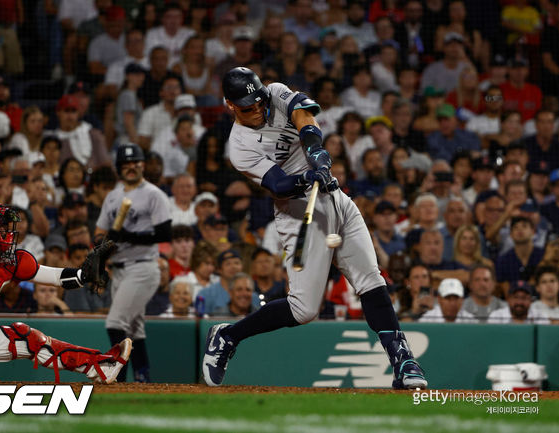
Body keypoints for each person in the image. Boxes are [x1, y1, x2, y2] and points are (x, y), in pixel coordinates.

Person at [202, 67, 426, 390]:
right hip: (298, 211)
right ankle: (228, 335)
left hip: (335, 198)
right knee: (303, 309)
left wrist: (315, 153)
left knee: (371, 279)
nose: (258, 109)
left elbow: (304, 116)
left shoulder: (274, 93)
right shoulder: (238, 147)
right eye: (248, 106)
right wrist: (306, 177)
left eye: (259, 102)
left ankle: (403, 361)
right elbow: (278, 185)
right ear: (230, 106)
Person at [0, 197, 129, 384]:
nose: (5, 233)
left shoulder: (9, 261)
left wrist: (85, 275)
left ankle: (100, 366)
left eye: (5, 227)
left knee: (29, 338)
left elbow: (55, 276)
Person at [94, 144, 171, 383]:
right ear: (119, 168)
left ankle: (118, 376)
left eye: (136, 162)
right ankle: (142, 374)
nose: (131, 167)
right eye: (126, 164)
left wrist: (128, 236)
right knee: (134, 328)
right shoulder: (113, 196)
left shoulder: (153, 194)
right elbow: (99, 231)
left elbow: (164, 234)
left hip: (143, 266)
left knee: (115, 322)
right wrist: (104, 246)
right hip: (118, 269)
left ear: (143, 165)